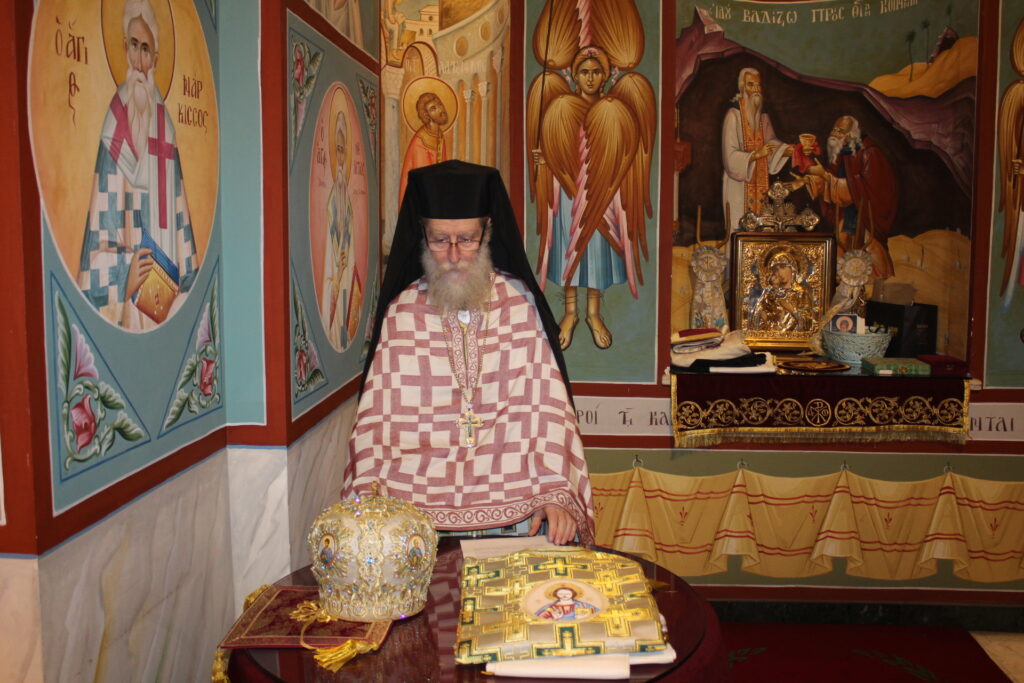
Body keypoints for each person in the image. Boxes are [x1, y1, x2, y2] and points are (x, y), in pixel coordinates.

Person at [342, 160, 594, 545]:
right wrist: (370, 494)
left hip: (517, 514)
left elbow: (546, 411)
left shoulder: (519, 305)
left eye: (467, 239)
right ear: (422, 235)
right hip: (417, 520)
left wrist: (554, 492)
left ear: (488, 232)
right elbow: (376, 424)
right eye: (439, 240)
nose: (454, 254)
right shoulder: (403, 313)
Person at [78, 0, 200, 330]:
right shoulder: (114, 127)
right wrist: (126, 273)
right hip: (130, 307)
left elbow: (181, 223)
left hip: (168, 302)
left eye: (146, 50)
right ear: (124, 48)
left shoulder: (166, 131)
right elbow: (96, 245)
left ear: (156, 60)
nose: (139, 61)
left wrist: (186, 286)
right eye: (134, 46)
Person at [529, 44, 655, 350]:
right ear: (574, 75)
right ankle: (570, 313)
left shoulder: (615, 109)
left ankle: (594, 314)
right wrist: (545, 161)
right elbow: (558, 151)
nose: (589, 77)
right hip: (569, 194)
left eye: (596, 71)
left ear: (606, 75)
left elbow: (626, 154)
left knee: (596, 252)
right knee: (570, 248)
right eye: (584, 72)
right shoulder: (563, 107)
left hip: (602, 195)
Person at [790, 115, 898, 279]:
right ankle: (845, 281)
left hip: (865, 214)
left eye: (840, 131)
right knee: (842, 244)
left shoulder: (870, 152)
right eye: (834, 129)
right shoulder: (843, 152)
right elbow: (832, 177)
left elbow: (869, 187)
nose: (834, 134)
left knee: (869, 248)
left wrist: (826, 176)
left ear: (851, 134)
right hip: (847, 212)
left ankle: (880, 280)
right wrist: (806, 180)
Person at [721, 68, 793, 237]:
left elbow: (771, 142)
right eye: (751, 84)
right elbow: (729, 155)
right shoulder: (733, 115)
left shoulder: (762, 115)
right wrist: (755, 155)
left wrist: (786, 151)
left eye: (758, 85)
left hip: (760, 178)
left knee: (762, 226)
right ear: (742, 87)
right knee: (738, 228)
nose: (755, 89)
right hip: (739, 185)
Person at [319, 109, 359, 349]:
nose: (342, 156)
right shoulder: (333, 195)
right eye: (339, 150)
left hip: (345, 265)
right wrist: (339, 261)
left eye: (344, 150)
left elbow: (349, 226)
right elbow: (333, 229)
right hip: (335, 266)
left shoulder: (345, 193)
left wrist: (346, 258)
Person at [398, 91, 449, 203]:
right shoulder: (420, 142)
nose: (440, 109)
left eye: (440, 104)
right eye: (433, 108)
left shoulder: (439, 136)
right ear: (426, 115)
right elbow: (423, 181)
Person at [750, 246, 814, 332]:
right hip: (770, 334)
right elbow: (757, 311)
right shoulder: (769, 292)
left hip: (793, 336)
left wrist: (792, 310)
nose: (779, 272)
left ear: (793, 268)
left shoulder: (801, 293)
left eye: (783, 267)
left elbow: (808, 321)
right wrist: (761, 313)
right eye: (776, 269)